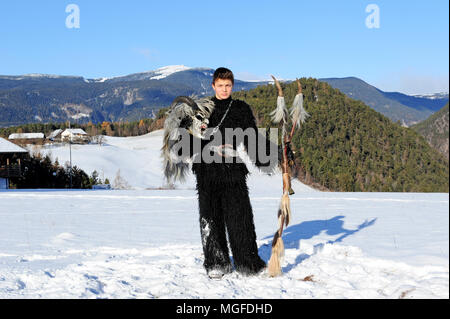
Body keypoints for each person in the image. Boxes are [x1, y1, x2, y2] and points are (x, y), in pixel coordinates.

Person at [190, 67, 289, 279]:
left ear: (232, 86)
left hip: (232, 169)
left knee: (240, 217)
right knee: (210, 217)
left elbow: (252, 139)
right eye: (220, 85)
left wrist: (277, 154)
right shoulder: (201, 109)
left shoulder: (241, 109)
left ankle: (248, 262)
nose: (224, 90)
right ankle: (216, 262)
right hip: (206, 170)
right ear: (213, 85)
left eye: (228, 86)